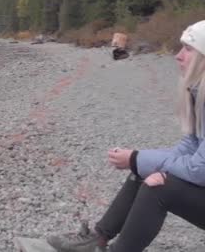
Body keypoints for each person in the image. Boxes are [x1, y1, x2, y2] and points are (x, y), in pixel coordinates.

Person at [47, 20, 205, 252]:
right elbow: (191, 146)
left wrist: (137, 159)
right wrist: (140, 161)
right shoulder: (198, 91)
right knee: (145, 173)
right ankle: (97, 240)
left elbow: (200, 170)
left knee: (158, 187)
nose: (178, 56)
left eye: (188, 49)